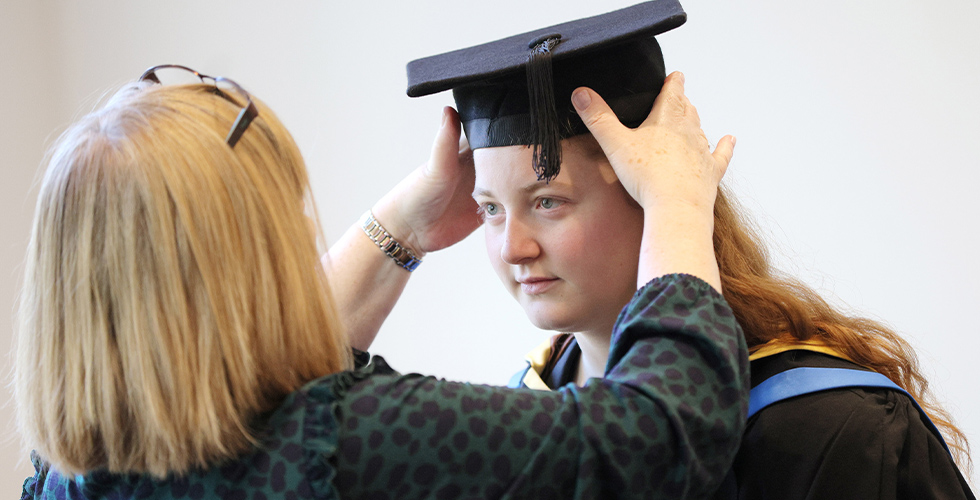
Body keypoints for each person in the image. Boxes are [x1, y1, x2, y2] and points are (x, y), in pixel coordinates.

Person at [15, 62, 748, 498]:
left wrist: (405, 226)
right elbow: (659, 435)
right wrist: (680, 204)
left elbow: (253, 380)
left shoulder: (63, 475)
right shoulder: (355, 440)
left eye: (546, 202)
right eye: (285, 216)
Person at [385, 1, 975, 498]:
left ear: (656, 192)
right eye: (490, 209)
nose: (512, 247)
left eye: (548, 201)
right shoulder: (529, 415)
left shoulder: (830, 426)